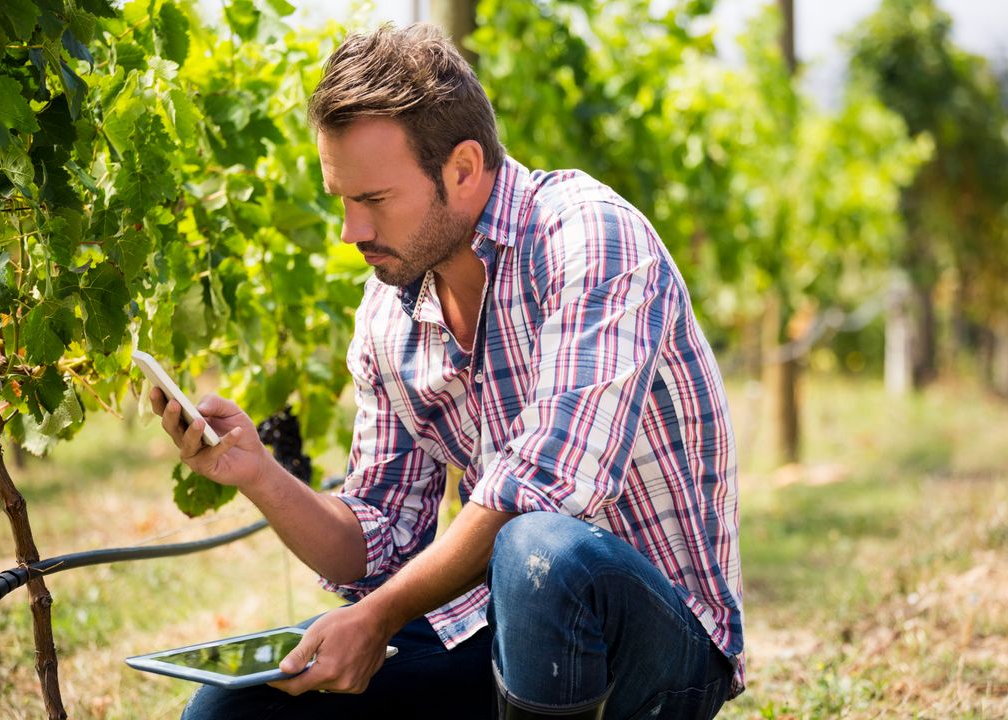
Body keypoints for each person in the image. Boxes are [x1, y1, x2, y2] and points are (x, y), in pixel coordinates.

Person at [151, 22, 743, 720]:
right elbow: (375, 538)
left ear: (463, 170)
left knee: (540, 547)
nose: (351, 232)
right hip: (500, 637)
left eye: (372, 200)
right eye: (342, 199)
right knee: (229, 710)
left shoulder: (588, 236)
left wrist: (377, 620)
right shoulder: (388, 310)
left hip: (658, 654)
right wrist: (257, 473)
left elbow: (544, 491)